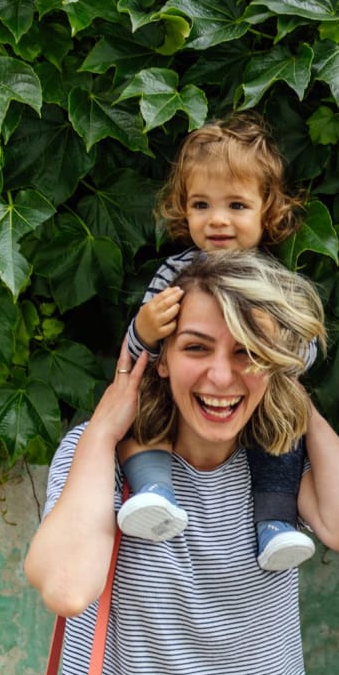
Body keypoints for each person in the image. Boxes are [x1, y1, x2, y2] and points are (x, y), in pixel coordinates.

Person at [25, 250, 339, 675]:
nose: (221, 377)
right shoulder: (101, 455)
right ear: (162, 359)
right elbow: (67, 589)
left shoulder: (280, 459)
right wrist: (104, 429)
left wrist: (289, 394)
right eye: (197, 348)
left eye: (247, 352)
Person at [118, 112, 321, 571]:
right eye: (201, 205)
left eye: (236, 206)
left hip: (255, 401)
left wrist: (278, 347)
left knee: (286, 425)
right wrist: (146, 330)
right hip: (182, 407)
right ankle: (154, 491)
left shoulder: (274, 282)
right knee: (140, 407)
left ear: (267, 211)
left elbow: (306, 353)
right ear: (182, 209)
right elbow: (135, 355)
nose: (217, 221)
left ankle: (274, 524)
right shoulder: (173, 275)